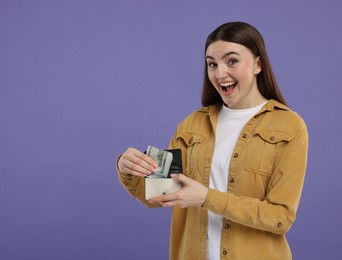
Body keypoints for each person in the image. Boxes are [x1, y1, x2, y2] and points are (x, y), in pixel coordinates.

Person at [116, 21, 308, 260]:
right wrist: (128, 168)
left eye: (232, 61)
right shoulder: (191, 125)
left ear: (258, 64)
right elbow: (161, 192)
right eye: (212, 64)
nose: (220, 73)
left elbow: (280, 217)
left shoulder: (289, 126)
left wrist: (207, 198)